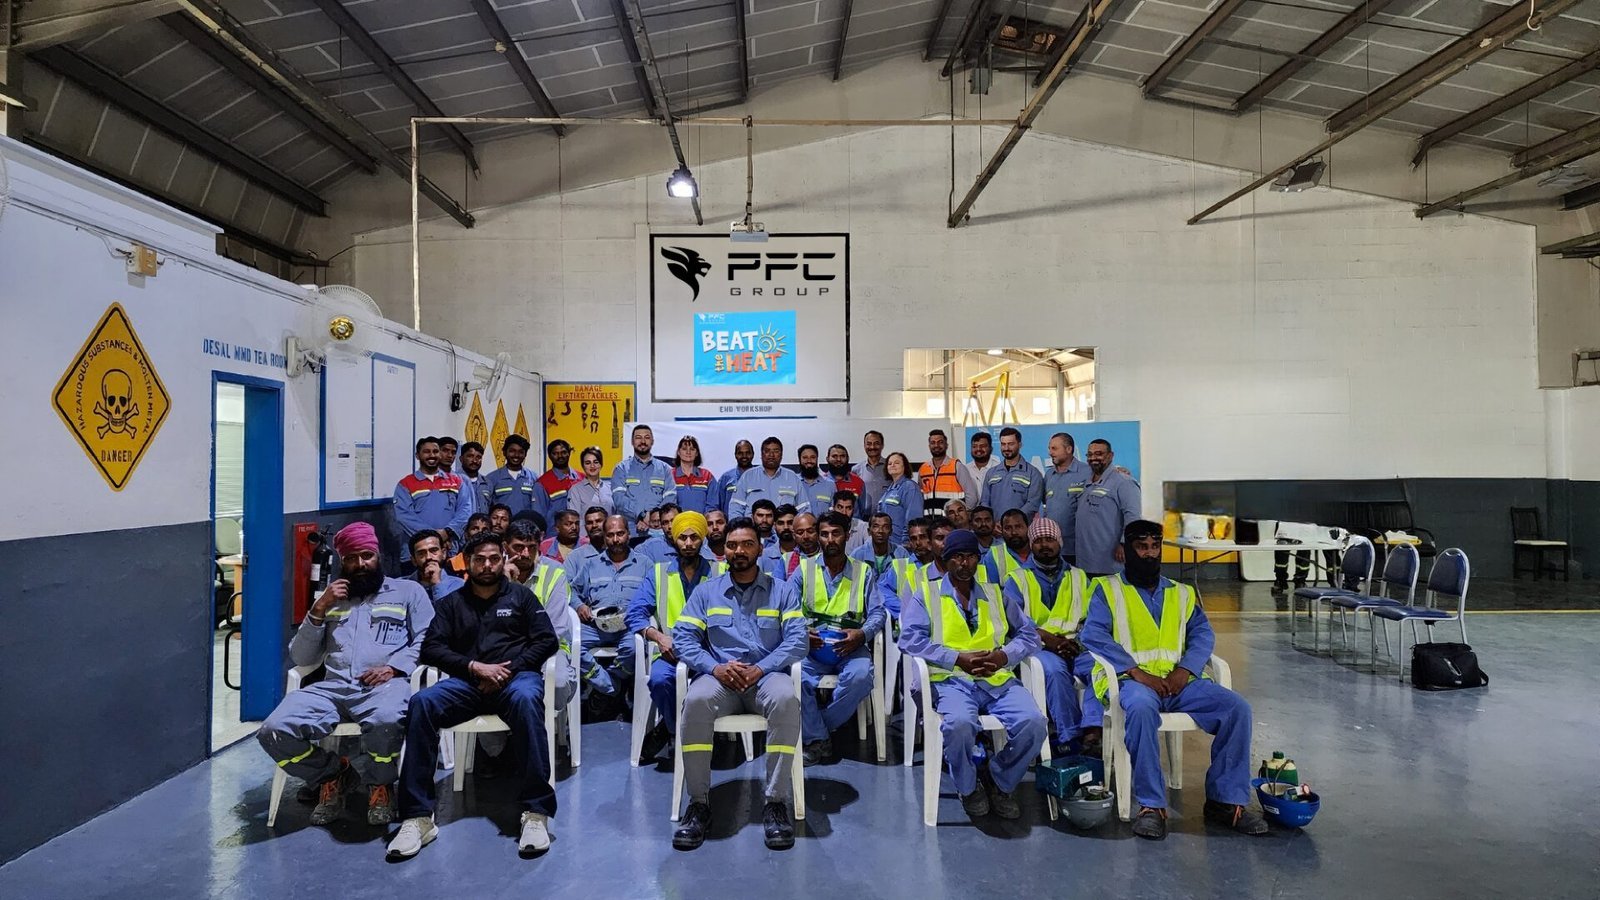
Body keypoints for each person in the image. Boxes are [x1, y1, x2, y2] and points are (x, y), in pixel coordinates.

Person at [1080, 520, 1266, 840]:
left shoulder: (1182, 593)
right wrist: (1136, 672)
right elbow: (1094, 635)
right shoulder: (1107, 589)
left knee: (1236, 709)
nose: (1150, 553)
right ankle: (1152, 806)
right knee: (1140, 710)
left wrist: (1186, 670)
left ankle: (1224, 801)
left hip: (1180, 683)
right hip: (1133, 682)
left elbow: (1202, 634)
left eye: (1155, 546)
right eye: (1142, 547)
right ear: (1127, 551)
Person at [388, 532, 559, 860]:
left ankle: (536, 812)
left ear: (503, 560)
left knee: (527, 700)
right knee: (422, 702)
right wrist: (473, 668)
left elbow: (546, 640)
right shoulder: (452, 603)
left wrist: (506, 671)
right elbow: (432, 648)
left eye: (494, 558)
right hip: (468, 684)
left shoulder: (521, 597)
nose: (487, 565)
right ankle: (417, 817)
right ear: (466, 563)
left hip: (514, 680)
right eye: (479, 559)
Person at [259, 523, 432, 827]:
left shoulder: (408, 592)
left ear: (378, 555)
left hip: (385, 686)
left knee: (386, 721)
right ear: (342, 562)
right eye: (351, 558)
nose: (360, 563)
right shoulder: (330, 599)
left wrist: (395, 667)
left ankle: (380, 785)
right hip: (332, 688)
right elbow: (302, 657)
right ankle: (333, 774)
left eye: (367, 555)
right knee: (273, 730)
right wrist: (319, 608)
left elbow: (428, 638)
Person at [670, 518, 808, 852]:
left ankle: (775, 802)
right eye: (732, 545)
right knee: (696, 701)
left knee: (786, 699)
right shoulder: (707, 592)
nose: (739, 551)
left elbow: (798, 640)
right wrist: (714, 667)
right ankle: (698, 803)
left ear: (760, 549)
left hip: (766, 677)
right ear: (725, 551)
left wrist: (761, 668)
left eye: (747, 544)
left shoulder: (782, 591)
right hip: (721, 679)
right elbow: (683, 638)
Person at [898, 529, 1046, 821]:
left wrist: (1004, 656)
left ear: (978, 559)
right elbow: (909, 639)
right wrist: (956, 659)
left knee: (1034, 723)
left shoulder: (995, 594)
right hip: (951, 680)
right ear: (946, 559)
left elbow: (1030, 635)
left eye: (970, 557)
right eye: (957, 557)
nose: (964, 563)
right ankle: (968, 787)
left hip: (996, 678)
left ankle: (999, 779)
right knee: (960, 725)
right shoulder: (926, 594)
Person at [626, 511, 722, 765]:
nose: (688, 543)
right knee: (659, 680)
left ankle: (669, 730)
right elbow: (635, 613)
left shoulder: (719, 572)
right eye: (683, 538)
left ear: (702, 539)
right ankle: (674, 729)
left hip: (710, 654)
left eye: (694, 537)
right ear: (674, 539)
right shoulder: (658, 573)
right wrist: (657, 636)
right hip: (671, 653)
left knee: (710, 688)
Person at [1001, 518, 1101, 756]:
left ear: (1059, 542)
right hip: (1039, 647)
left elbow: (1094, 617)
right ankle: (1070, 737)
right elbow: (1015, 623)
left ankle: (1093, 729)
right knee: (1055, 671)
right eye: (1038, 540)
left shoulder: (1079, 576)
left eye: (1050, 539)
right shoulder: (1017, 579)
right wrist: (1050, 640)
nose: (1045, 545)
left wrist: (1076, 642)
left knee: (1101, 668)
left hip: (1076, 645)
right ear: (1031, 544)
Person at [794, 512, 884, 765]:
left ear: (847, 536)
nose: (830, 539)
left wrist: (862, 634)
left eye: (836, 533)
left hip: (850, 646)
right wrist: (803, 632)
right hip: (813, 646)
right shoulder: (804, 570)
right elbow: (786, 610)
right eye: (824, 534)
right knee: (794, 677)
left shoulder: (863, 571)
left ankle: (817, 732)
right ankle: (819, 736)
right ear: (818, 537)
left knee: (861, 676)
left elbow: (878, 612)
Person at [568, 514, 648, 699]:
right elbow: (571, 590)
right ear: (604, 537)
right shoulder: (591, 564)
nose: (616, 539)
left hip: (629, 626)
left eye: (620, 533)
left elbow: (652, 596)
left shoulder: (644, 564)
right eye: (610, 535)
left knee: (634, 649)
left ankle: (608, 685)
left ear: (628, 534)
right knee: (569, 645)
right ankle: (609, 686)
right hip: (596, 626)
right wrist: (579, 605)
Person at [505, 519, 577, 711]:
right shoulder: (495, 572)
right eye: (518, 547)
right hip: (503, 649)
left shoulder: (554, 571)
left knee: (559, 684)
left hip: (549, 647)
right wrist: (504, 584)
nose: (525, 554)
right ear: (505, 546)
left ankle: (543, 722)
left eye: (531, 547)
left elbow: (556, 627)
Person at [392, 436, 472, 553]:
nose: (432, 455)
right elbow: (404, 516)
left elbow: (465, 510)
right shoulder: (405, 484)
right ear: (417, 455)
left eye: (435, 451)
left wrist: (448, 532)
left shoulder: (456, 481)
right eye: (426, 452)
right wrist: (436, 537)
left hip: (449, 549)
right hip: (417, 552)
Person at [1074, 439, 1142, 577]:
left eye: (1099, 454)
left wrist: (1124, 544)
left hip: (1110, 562)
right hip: (1085, 560)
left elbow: (1133, 517)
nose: (1093, 458)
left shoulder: (1124, 482)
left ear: (1110, 456)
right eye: (1090, 454)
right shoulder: (1087, 482)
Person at [1042, 432, 1092, 566]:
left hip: (1079, 548)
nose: (1050, 453)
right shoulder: (1049, 475)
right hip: (1053, 548)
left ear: (1069, 449)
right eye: (1049, 448)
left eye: (1054, 448)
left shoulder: (1088, 472)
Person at [612, 425, 675, 524]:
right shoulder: (621, 469)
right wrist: (641, 515)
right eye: (638, 438)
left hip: (658, 527)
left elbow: (670, 497)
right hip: (631, 528)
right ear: (632, 442)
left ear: (652, 441)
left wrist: (655, 516)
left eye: (647, 437)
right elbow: (619, 499)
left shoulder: (665, 469)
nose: (643, 441)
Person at [730, 436, 805, 517]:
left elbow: (804, 508)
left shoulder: (792, 477)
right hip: (753, 525)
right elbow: (735, 508)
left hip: (784, 525)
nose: (771, 455)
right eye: (767, 451)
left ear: (781, 454)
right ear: (761, 454)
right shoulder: (747, 476)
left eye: (776, 451)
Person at [877, 516, 935, 618]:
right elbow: (881, 591)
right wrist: (905, 609)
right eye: (913, 539)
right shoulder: (900, 566)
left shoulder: (943, 565)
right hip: (908, 624)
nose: (918, 543)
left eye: (922, 537)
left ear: (931, 538)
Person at [980, 427, 1043, 519]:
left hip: (1021, 527)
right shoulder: (991, 473)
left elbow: (1033, 504)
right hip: (995, 526)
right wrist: (991, 521)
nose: (1006, 448)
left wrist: (1012, 521)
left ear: (1020, 445)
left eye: (1011, 444)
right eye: (1003, 444)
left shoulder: (1033, 473)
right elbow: (984, 502)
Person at [486, 435, 552, 521]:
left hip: (527, 527)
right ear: (504, 452)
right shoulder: (491, 479)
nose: (516, 455)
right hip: (502, 527)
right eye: (512, 451)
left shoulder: (534, 478)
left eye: (521, 452)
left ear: (525, 454)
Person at [918, 428, 977, 512]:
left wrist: (961, 514)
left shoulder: (957, 466)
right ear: (929, 446)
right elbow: (920, 498)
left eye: (940, 442)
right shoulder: (923, 469)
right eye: (933, 443)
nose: (936, 445)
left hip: (951, 519)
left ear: (946, 445)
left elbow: (972, 497)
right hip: (929, 519)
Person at [878, 451, 925, 546]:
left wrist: (906, 540)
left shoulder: (909, 487)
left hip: (901, 543)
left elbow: (913, 517)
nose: (892, 465)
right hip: (887, 543)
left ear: (904, 467)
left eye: (897, 463)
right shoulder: (889, 489)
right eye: (889, 463)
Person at [849, 511, 907, 579]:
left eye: (885, 527)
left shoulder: (901, 554)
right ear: (869, 531)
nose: (880, 531)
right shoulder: (857, 555)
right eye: (876, 527)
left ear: (891, 531)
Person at [410, 531, 465, 601]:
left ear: (443, 553)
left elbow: (449, 608)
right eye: (421, 553)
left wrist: (437, 584)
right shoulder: (401, 586)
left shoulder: (459, 585)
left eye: (433, 550)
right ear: (414, 560)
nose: (428, 557)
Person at [670, 435, 717, 514]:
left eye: (692, 449)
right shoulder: (669, 475)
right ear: (678, 452)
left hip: (701, 521)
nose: (688, 452)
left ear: (697, 453)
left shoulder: (707, 476)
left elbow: (713, 504)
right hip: (677, 521)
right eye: (684, 449)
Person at [983, 508, 1031, 584]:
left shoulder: (1039, 550)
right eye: (1008, 528)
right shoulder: (993, 556)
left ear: (1028, 527)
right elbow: (990, 589)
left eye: (1018, 526)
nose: (1014, 532)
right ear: (1001, 530)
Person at [537, 439, 583, 517]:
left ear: (569, 453)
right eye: (555, 453)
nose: (560, 456)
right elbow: (538, 516)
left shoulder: (582, 478)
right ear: (549, 456)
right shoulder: (542, 483)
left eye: (563, 452)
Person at [563, 506, 610, 579]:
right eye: (589, 523)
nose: (594, 525)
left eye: (598, 521)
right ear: (585, 527)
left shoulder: (620, 553)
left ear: (608, 524)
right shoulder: (574, 558)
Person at [568, 447, 614, 516]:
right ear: (583, 466)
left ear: (601, 464)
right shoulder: (575, 490)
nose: (592, 466)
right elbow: (574, 517)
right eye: (588, 463)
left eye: (596, 462)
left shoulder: (610, 487)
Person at [715, 439, 756, 515]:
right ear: (735, 455)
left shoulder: (760, 476)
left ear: (753, 454)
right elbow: (718, 506)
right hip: (731, 521)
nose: (744, 456)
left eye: (747, 453)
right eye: (740, 453)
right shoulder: (726, 478)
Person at [827, 444, 869, 518]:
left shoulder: (858, 482)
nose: (839, 459)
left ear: (848, 458)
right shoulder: (820, 483)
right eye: (834, 456)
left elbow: (862, 510)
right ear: (827, 459)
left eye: (842, 456)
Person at [795, 444, 836, 517]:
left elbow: (833, 513)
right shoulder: (793, 482)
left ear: (817, 459)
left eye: (813, 457)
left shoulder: (830, 485)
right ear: (799, 460)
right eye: (805, 457)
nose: (809, 461)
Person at [853, 429, 888, 510]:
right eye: (869, 444)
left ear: (882, 445)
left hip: (886, 516)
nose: (872, 447)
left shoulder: (890, 467)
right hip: (864, 516)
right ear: (864, 446)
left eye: (876, 443)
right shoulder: (856, 470)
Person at [782, 511, 822, 577]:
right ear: (794, 535)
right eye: (800, 533)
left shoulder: (827, 555)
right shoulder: (786, 559)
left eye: (810, 531)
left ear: (818, 532)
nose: (806, 536)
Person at [458, 441, 493, 515]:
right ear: (461, 459)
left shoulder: (487, 483)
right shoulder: (454, 481)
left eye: (478, 457)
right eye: (470, 456)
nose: (475, 460)